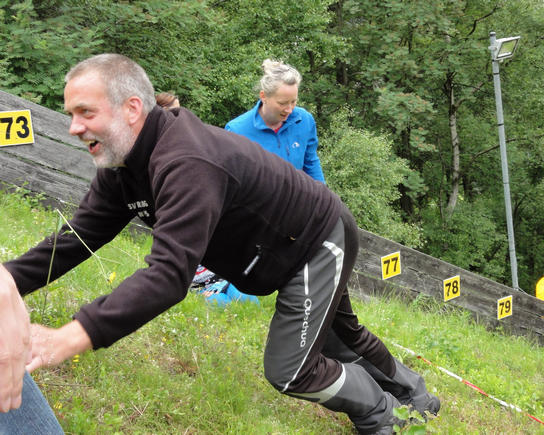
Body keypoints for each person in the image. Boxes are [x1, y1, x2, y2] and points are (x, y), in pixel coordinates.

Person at [0, 54, 439, 434]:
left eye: (84, 112)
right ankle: (416, 394)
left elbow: (169, 275)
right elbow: (77, 239)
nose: (73, 127)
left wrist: (69, 337)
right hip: (280, 245)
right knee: (341, 340)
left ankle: (385, 416)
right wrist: (7, 279)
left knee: (291, 369)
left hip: (316, 239)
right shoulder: (122, 167)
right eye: (70, 114)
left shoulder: (186, 160)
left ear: (132, 107)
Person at [156, 92, 259, 307]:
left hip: (219, 269)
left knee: (250, 302)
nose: (179, 115)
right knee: (222, 305)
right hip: (196, 278)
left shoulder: (194, 144)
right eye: (173, 110)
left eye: (180, 109)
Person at [225, 59, 325, 183]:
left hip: (298, 200)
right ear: (264, 96)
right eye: (282, 103)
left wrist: (324, 198)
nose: (289, 109)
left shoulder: (304, 120)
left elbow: (311, 163)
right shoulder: (236, 131)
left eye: (293, 102)